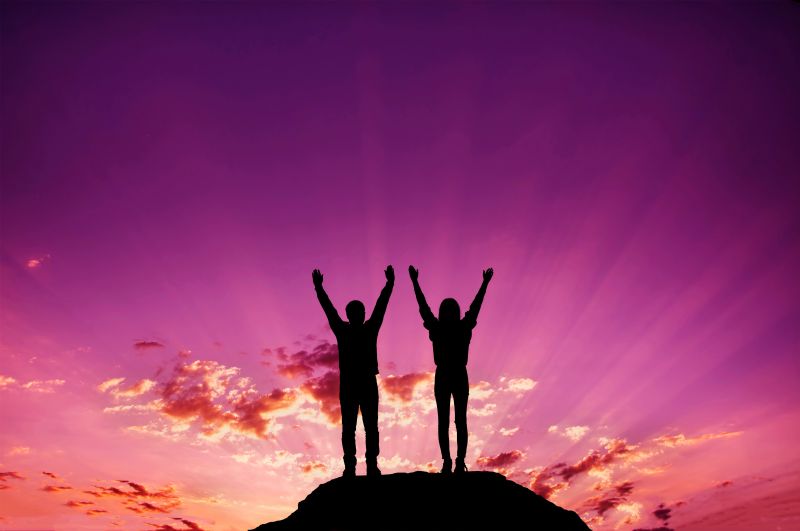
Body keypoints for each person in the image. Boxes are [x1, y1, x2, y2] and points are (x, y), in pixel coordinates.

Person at [408, 265, 493, 474]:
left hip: (455, 374)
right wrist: (415, 283)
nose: (448, 313)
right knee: (446, 420)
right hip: (446, 374)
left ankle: (457, 461)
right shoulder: (446, 328)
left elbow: (475, 307)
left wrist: (484, 284)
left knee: (457, 420)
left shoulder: (456, 327)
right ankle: (449, 461)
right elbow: (423, 308)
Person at [312, 266, 394, 477]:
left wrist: (389, 285)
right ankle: (351, 466)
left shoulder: (369, 328)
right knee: (349, 426)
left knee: (370, 426)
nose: (358, 315)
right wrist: (319, 289)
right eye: (354, 312)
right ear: (349, 315)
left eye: (360, 312)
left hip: (366, 381)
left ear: (362, 314)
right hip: (350, 383)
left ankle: (371, 464)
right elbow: (329, 310)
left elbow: (380, 307)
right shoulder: (344, 330)